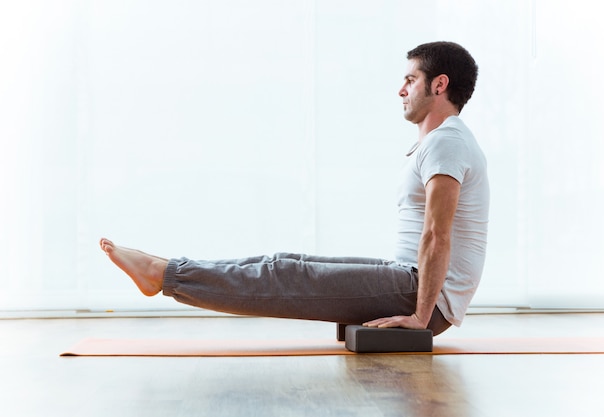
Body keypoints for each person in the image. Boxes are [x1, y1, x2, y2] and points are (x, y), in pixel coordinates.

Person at [100, 41, 488, 336]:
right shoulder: (440, 141)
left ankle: (162, 274)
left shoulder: (446, 142)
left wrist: (421, 318)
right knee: (285, 262)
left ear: (439, 85)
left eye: (410, 80)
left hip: (422, 293)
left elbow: (437, 234)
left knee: (285, 275)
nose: (401, 90)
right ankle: (168, 271)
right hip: (409, 278)